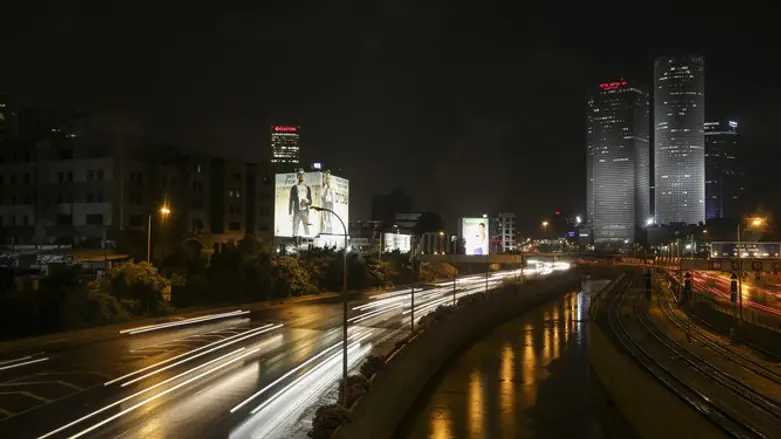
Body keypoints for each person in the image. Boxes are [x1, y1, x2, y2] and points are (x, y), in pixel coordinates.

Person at [288, 169, 312, 237]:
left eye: (302, 174)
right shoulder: (294, 188)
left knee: (307, 229)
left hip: (305, 211)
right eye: (299, 174)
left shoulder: (307, 188)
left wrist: (307, 201)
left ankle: (308, 244)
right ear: (297, 176)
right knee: (295, 229)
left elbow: (310, 202)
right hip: (297, 211)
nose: (301, 176)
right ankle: (294, 243)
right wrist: (290, 212)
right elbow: (291, 200)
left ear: (304, 176)